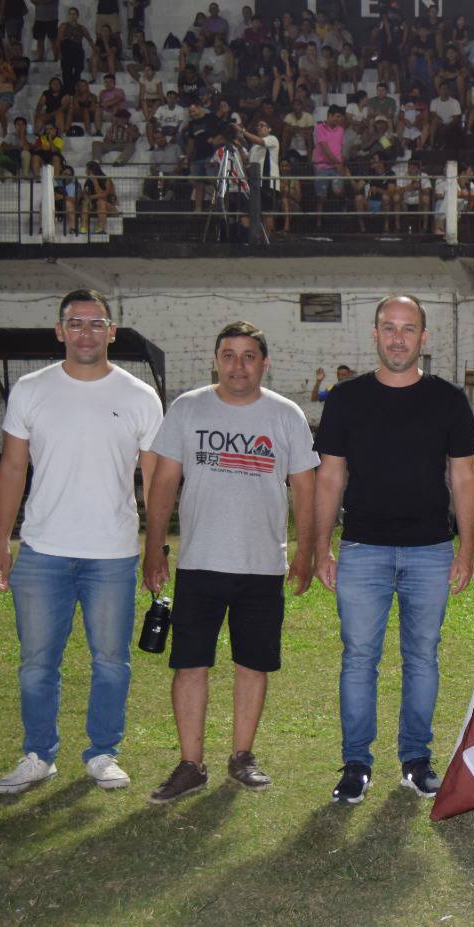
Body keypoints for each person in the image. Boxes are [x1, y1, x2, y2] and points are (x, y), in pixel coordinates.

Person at [0, 289, 162, 796]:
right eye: (76, 323)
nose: (87, 332)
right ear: (60, 330)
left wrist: (155, 548)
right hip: (43, 551)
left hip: (113, 555)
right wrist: (1, 543)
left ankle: (103, 753)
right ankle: (38, 755)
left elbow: (154, 480)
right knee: (37, 664)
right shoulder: (31, 390)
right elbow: (13, 468)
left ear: (112, 331)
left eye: (97, 323)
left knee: (111, 661)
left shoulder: (139, 396)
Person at [141, 321, 319, 802]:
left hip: (262, 566)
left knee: (252, 664)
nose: (238, 365)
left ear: (264, 363)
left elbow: (305, 487)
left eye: (248, 356)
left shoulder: (285, 415)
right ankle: (190, 765)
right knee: (190, 664)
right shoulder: (188, 408)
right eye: (228, 355)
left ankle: (242, 757)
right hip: (200, 562)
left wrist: (305, 551)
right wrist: (154, 547)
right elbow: (164, 481)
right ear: (215, 360)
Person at [313, 295, 474, 804]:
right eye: (389, 327)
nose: (398, 338)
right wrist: (321, 546)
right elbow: (330, 477)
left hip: (430, 550)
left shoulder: (449, 400)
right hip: (363, 549)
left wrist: (467, 547)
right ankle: (356, 765)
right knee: (359, 659)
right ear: (375, 334)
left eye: (408, 329)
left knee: (422, 658)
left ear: (424, 338)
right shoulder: (346, 399)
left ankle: (416, 761)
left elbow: (463, 476)